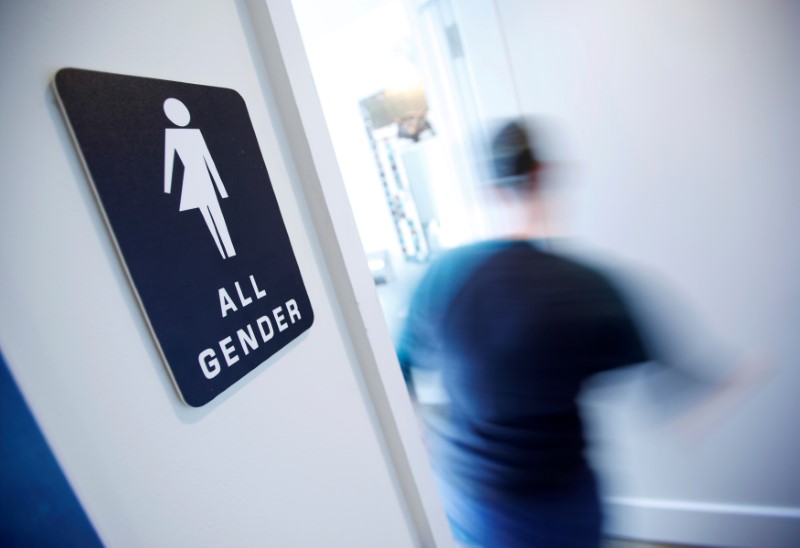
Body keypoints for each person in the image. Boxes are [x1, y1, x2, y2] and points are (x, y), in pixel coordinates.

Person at [397, 120, 652, 547]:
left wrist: (417, 429)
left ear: (491, 188)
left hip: (477, 504)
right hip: (562, 500)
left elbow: (396, 367)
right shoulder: (585, 284)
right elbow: (673, 382)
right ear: (543, 176)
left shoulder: (445, 274)